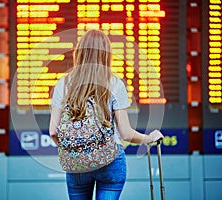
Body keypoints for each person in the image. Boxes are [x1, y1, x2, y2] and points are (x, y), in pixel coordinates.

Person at [49, 29, 164, 200]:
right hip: (110, 161)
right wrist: (150, 138)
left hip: (77, 166)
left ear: (79, 53)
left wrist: (75, 151)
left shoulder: (63, 84)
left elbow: (53, 131)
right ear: (106, 55)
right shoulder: (115, 84)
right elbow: (125, 133)